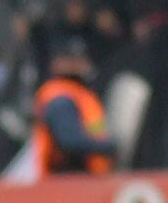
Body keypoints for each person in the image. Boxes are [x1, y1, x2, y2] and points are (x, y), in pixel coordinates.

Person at [31, 38, 113, 177]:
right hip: (66, 183)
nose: (82, 64)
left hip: (87, 180)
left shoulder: (77, 93)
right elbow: (69, 141)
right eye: (74, 60)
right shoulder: (60, 97)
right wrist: (110, 146)